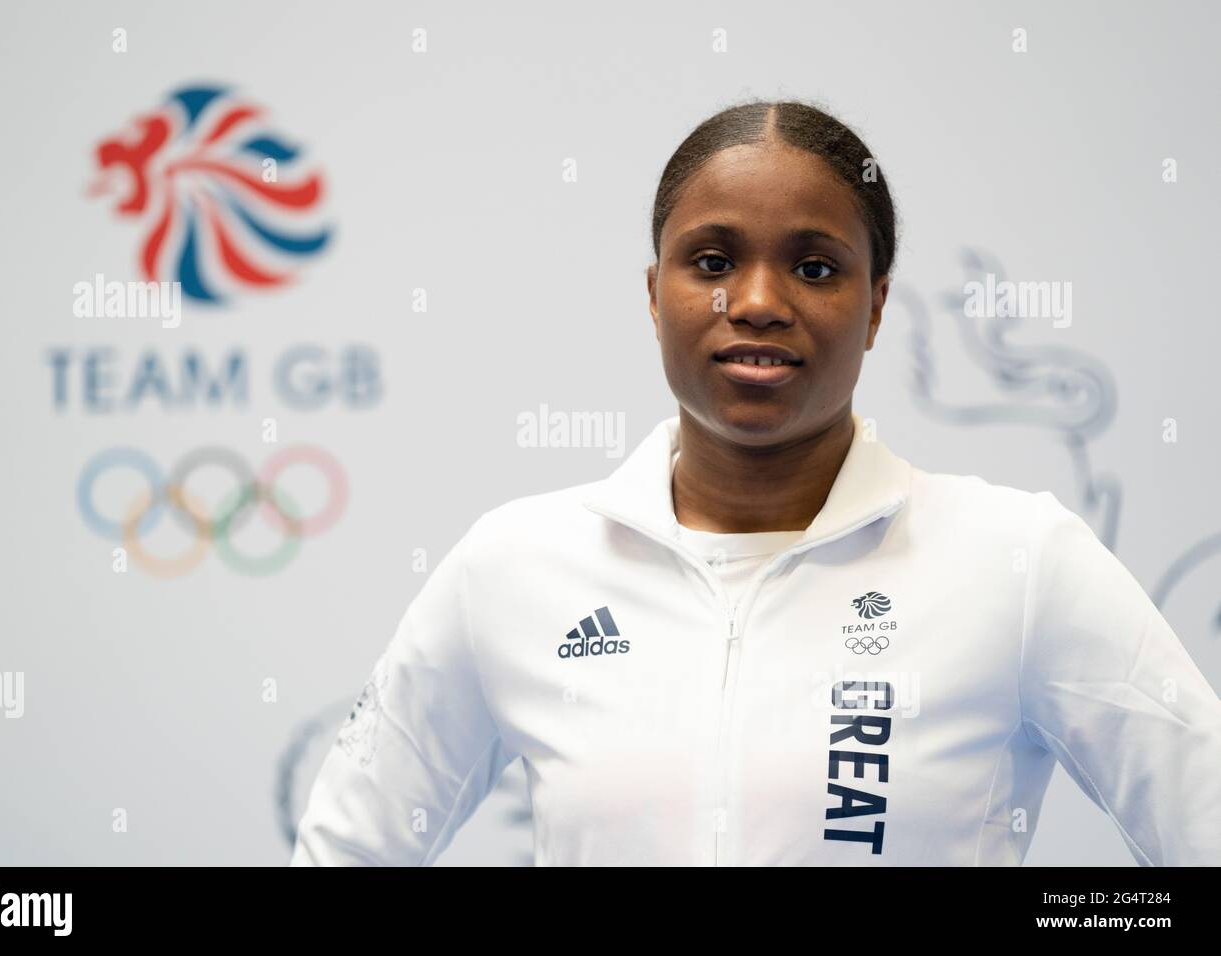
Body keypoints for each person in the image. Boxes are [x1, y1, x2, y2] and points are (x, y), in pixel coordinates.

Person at [290, 100, 1221, 866]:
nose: (761, 302)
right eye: (713, 262)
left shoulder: (1017, 560)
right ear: (654, 294)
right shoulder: (515, 566)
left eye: (815, 267)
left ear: (876, 304)